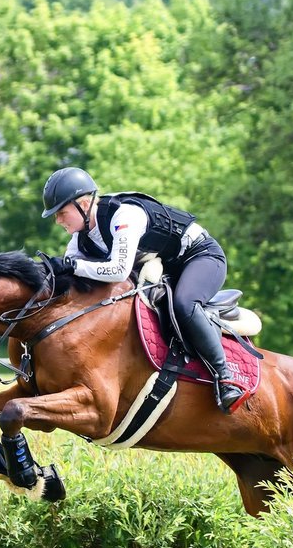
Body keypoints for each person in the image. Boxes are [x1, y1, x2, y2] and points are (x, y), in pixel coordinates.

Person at [41, 167, 244, 414]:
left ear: (84, 204)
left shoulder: (124, 216)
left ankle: (225, 378)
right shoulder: (80, 240)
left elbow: (118, 270)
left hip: (200, 256)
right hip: (168, 265)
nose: (58, 220)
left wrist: (72, 266)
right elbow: (72, 276)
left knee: (184, 303)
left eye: (61, 213)